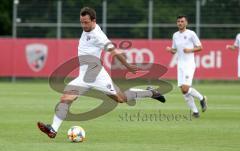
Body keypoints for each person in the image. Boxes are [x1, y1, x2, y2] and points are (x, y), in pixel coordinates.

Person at [37, 7, 166, 138]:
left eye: (86, 22)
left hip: (97, 75)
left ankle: (151, 93)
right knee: (65, 98)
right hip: (83, 77)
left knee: (121, 98)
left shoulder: (98, 36)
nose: (83, 25)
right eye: (81, 22)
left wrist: (128, 66)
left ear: (94, 21)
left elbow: (114, 51)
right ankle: (53, 129)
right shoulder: (87, 30)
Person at [166, 15, 207, 118]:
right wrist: (171, 50)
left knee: (185, 89)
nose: (180, 23)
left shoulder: (191, 34)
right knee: (183, 91)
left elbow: (200, 47)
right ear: (177, 23)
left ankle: (202, 98)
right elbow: (174, 50)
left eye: (182, 21)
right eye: (178, 21)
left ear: (186, 23)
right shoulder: (175, 35)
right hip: (180, 65)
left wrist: (190, 50)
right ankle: (195, 112)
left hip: (189, 64)